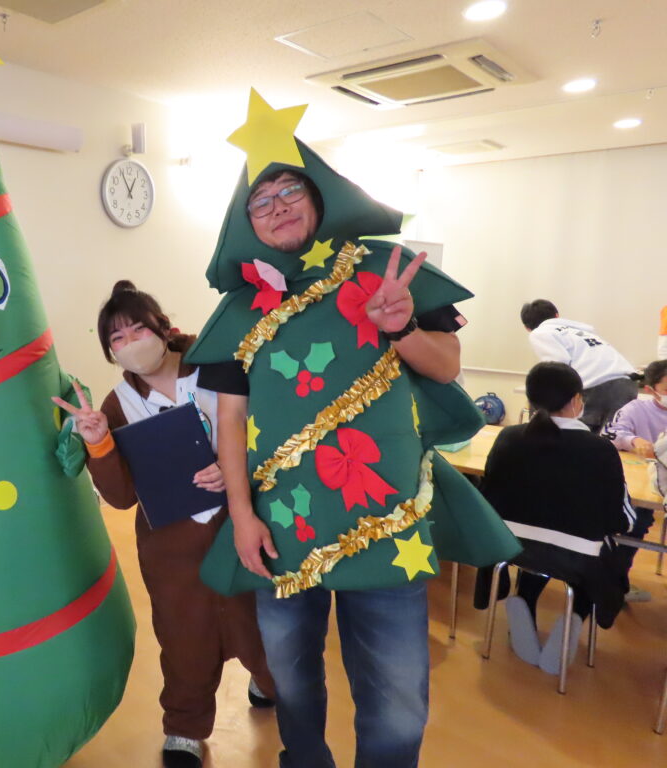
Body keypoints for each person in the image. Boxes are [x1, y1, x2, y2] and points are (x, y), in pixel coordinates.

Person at [187, 114, 518, 768]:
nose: (278, 207)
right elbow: (230, 420)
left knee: (396, 695)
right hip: (283, 524)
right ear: (246, 222)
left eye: (290, 191)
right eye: (261, 201)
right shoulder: (241, 308)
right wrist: (243, 515)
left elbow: (446, 367)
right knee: (292, 678)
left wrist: (402, 329)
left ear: (320, 197)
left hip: (386, 519)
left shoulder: (383, 271)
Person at [53, 281, 275, 768]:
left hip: (240, 523)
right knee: (183, 636)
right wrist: (98, 443)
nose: (130, 342)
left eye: (138, 329)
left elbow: (271, 429)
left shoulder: (218, 367)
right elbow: (120, 496)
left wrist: (236, 465)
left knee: (258, 619)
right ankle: (185, 727)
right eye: (117, 338)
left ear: (163, 328)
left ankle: (268, 681)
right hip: (171, 549)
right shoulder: (116, 405)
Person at [479, 362, 634, 674]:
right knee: (592, 561)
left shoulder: (508, 437)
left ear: (530, 401)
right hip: (577, 558)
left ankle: (524, 600)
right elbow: (622, 520)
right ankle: (574, 617)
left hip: (511, 548)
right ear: (577, 400)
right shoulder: (600, 449)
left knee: (540, 543)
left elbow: (489, 495)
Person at [600, 358, 667, 601]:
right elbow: (611, 433)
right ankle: (616, 577)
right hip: (640, 482)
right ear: (650, 390)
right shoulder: (636, 409)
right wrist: (633, 440)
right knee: (638, 520)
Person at [520, 299, 637, 432]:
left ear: (527, 328)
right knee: (615, 436)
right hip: (628, 384)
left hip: (595, 386)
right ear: (557, 315)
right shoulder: (583, 331)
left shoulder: (541, 332)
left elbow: (557, 368)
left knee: (580, 437)